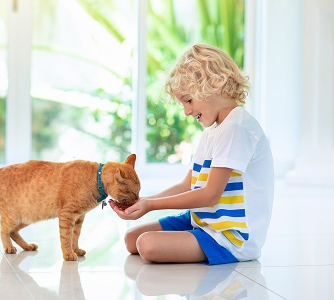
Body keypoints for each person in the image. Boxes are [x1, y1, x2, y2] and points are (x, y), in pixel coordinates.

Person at [109, 44, 274, 265]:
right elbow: (187, 185)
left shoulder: (236, 127)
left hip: (228, 237)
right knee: (132, 239)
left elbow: (210, 195)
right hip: (205, 221)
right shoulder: (213, 131)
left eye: (188, 100)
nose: (186, 111)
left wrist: (151, 206)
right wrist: (143, 201)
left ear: (214, 85)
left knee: (146, 245)